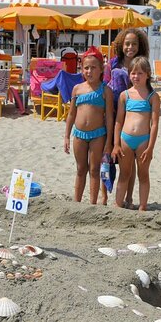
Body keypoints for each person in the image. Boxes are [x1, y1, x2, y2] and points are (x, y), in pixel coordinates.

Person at [64, 49, 115, 205]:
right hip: (79, 134)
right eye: (86, 67)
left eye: (93, 67)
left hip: (98, 135)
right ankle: (77, 202)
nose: (89, 71)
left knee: (94, 170)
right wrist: (66, 136)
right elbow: (71, 114)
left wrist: (108, 142)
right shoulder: (77, 89)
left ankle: (92, 204)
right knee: (80, 169)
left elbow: (109, 118)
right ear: (82, 69)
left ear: (101, 69)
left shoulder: (106, 90)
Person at [113, 57, 160, 211]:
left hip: (143, 141)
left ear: (147, 74)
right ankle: (118, 205)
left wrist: (151, 147)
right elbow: (118, 122)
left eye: (140, 73)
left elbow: (154, 124)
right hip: (125, 140)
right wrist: (116, 144)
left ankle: (143, 206)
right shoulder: (124, 95)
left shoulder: (153, 96)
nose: (136, 76)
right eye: (133, 73)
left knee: (143, 175)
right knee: (124, 174)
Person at [108, 28, 150, 104]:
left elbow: (147, 86)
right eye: (127, 44)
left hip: (134, 108)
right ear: (121, 45)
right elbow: (105, 86)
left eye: (134, 44)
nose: (130, 47)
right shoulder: (112, 64)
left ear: (139, 46)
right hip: (113, 108)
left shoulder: (143, 65)